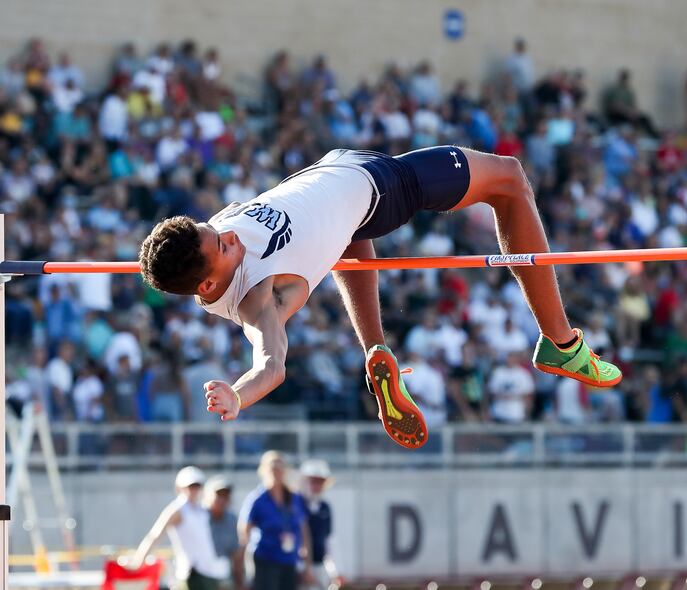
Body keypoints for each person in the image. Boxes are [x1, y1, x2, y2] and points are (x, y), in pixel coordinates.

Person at [138, 145, 622, 449]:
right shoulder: (257, 297)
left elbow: (181, 251)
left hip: (336, 180)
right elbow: (271, 363)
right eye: (223, 245)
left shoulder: (205, 247)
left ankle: (376, 350)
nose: (229, 235)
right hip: (381, 188)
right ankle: (560, 344)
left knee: (344, 239)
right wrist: (238, 396)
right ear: (207, 286)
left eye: (215, 230)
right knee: (510, 179)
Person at [132, 466, 230, 590]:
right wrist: (138, 561)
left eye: (197, 486)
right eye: (190, 486)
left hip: (209, 572)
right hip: (191, 573)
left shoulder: (201, 510)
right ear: (180, 488)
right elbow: (155, 534)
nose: (193, 490)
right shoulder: (178, 509)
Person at [242, 451, 313, 590]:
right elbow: (244, 530)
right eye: (273, 468)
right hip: (266, 559)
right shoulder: (258, 499)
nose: (277, 472)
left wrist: (307, 564)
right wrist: (244, 564)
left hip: (289, 560)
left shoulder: (294, 498)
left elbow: (303, 529)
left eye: (280, 468)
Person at [298, 459, 341, 590]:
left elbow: (329, 540)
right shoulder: (296, 504)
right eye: (313, 481)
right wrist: (304, 568)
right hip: (298, 567)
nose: (316, 486)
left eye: (320, 482)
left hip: (319, 566)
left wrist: (335, 571)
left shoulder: (325, 507)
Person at [205, 475, 245, 590]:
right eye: (218, 495)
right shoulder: (199, 517)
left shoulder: (232, 519)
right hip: (200, 575)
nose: (222, 500)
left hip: (223, 576)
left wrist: (240, 582)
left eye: (226, 496)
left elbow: (236, 555)